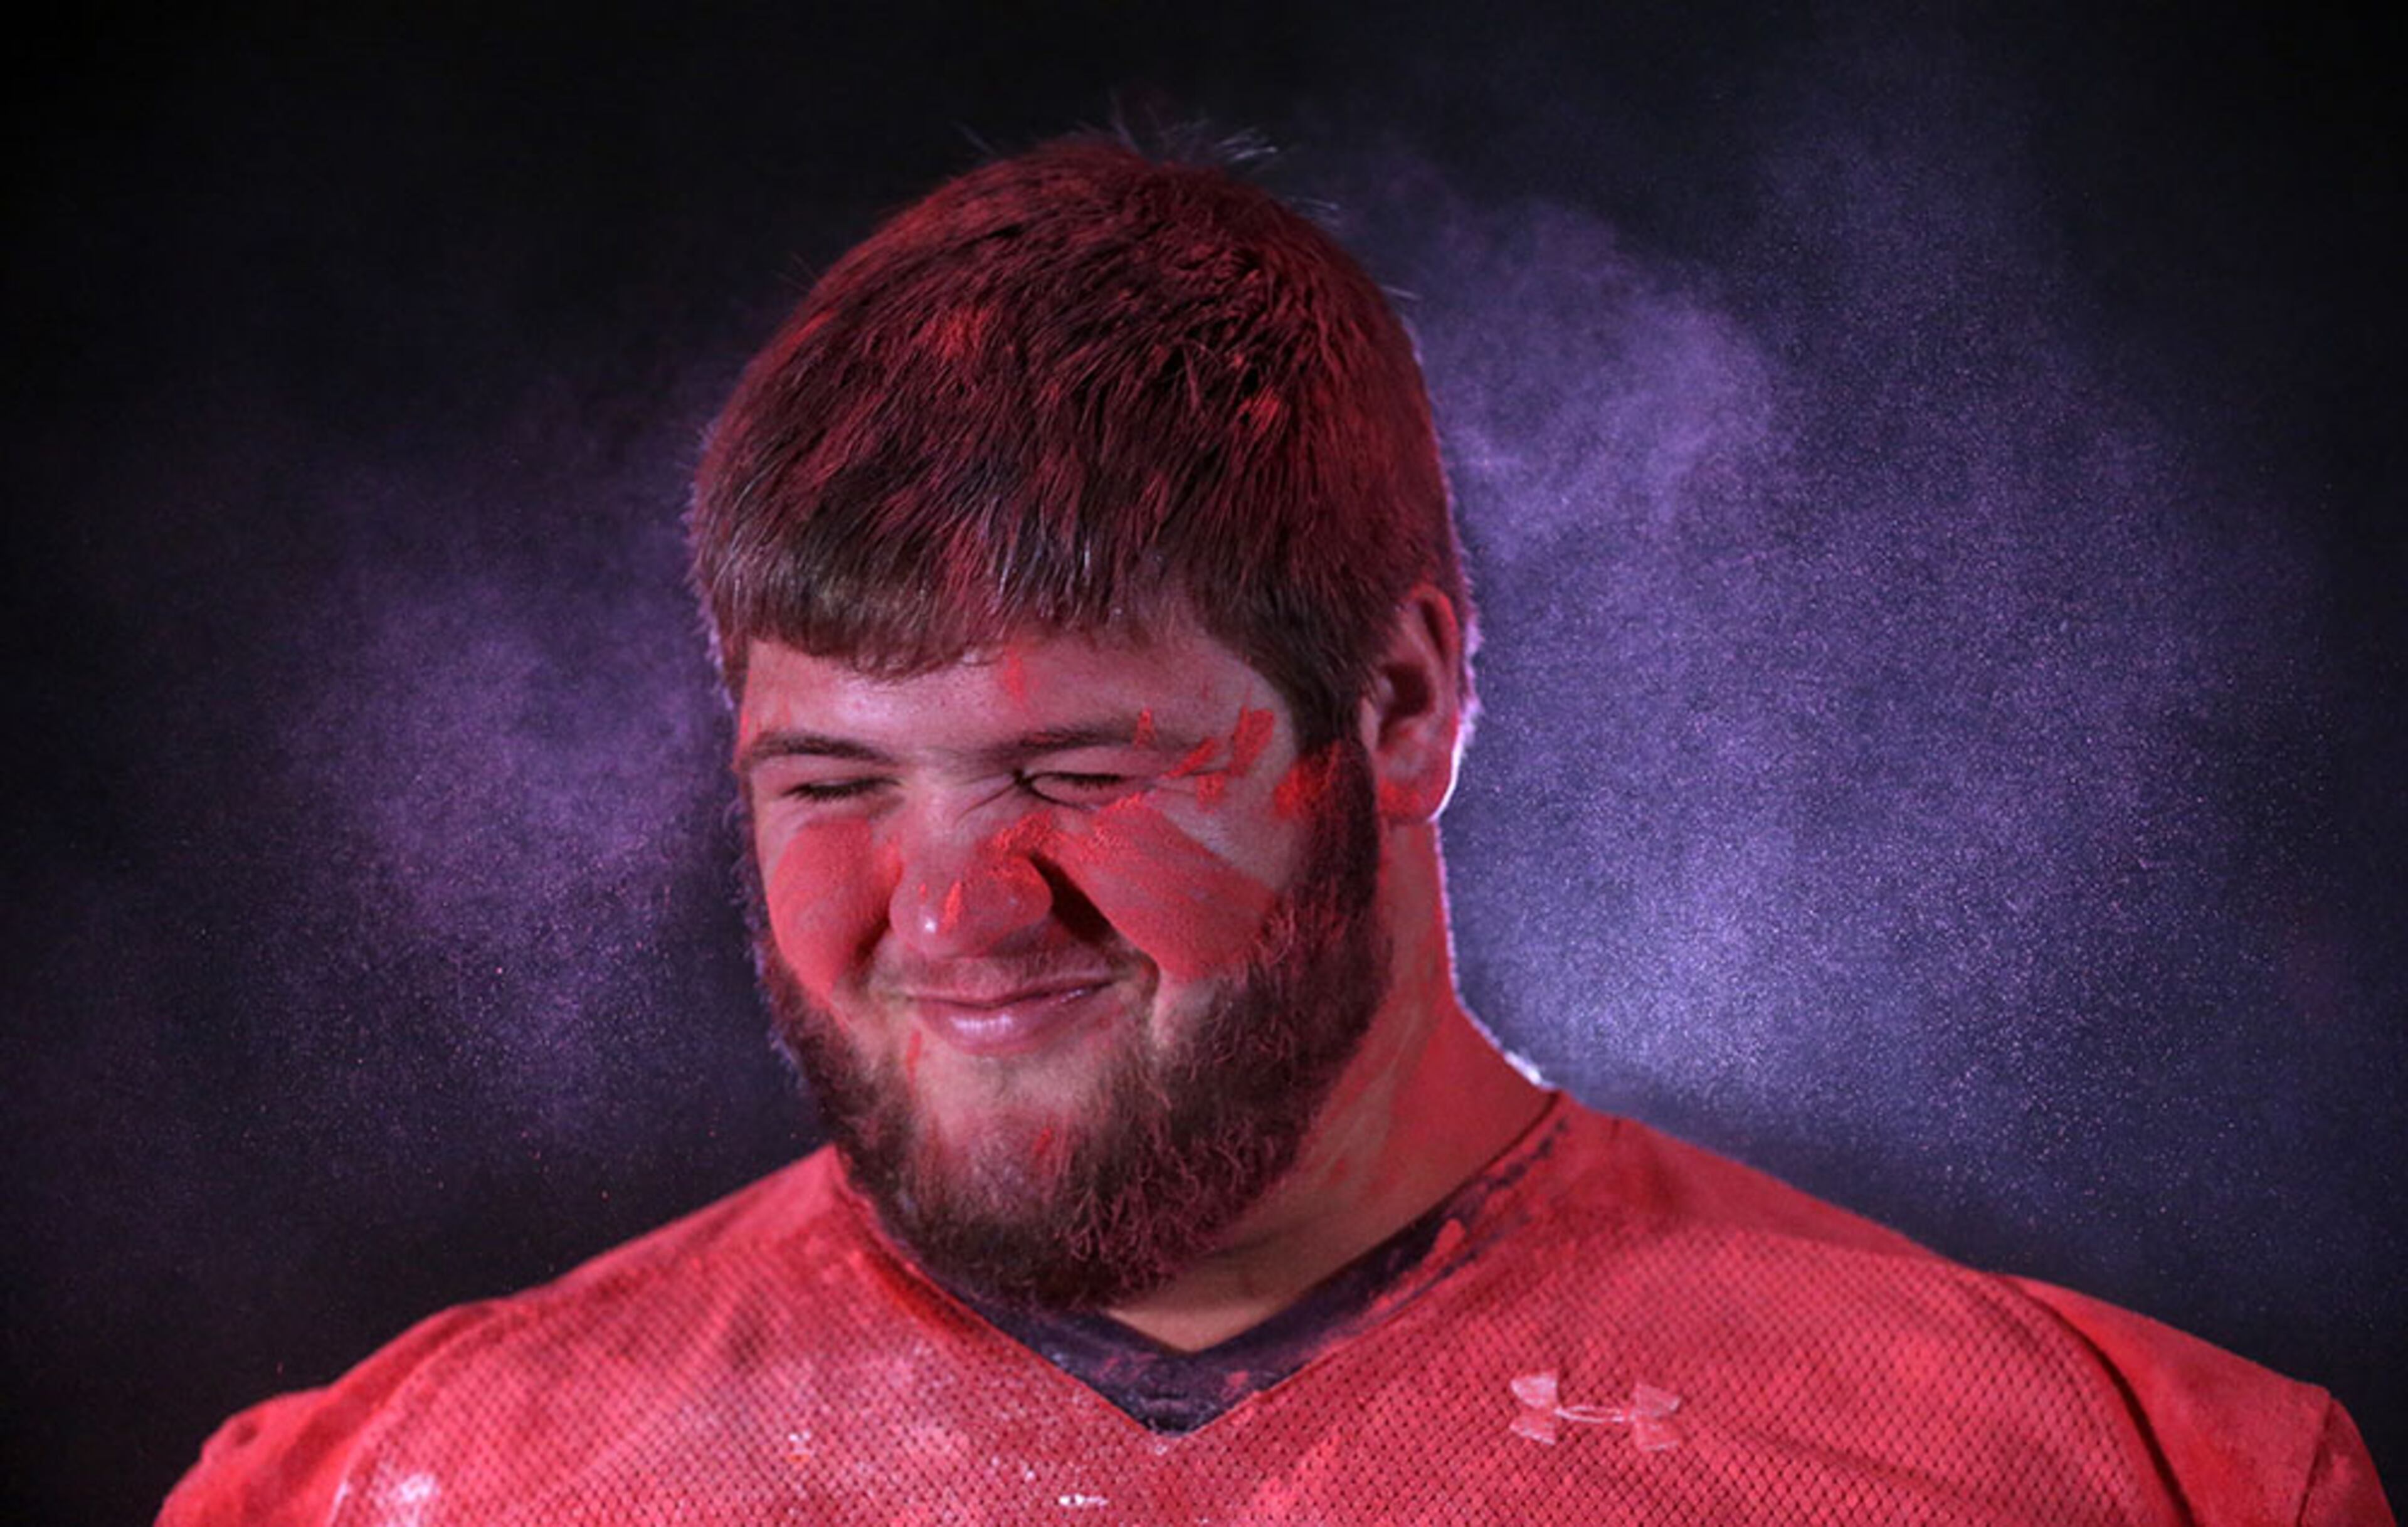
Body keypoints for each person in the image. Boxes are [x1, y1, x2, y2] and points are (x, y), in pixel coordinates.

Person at [162, 133, 2391, 1525]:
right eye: (830, 782)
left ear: (1405, 699)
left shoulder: (2113, 1477)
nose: (953, 913)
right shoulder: (389, 1488)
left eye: (1074, 770)